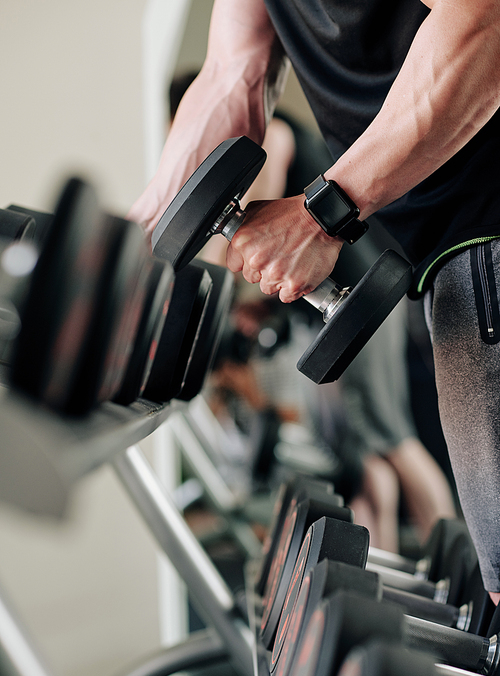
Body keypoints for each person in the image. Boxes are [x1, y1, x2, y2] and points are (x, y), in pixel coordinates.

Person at [129, 0, 500, 603]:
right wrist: (133, 242)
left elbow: (484, 21)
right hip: (441, 247)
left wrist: (322, 214)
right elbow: (233, 75)